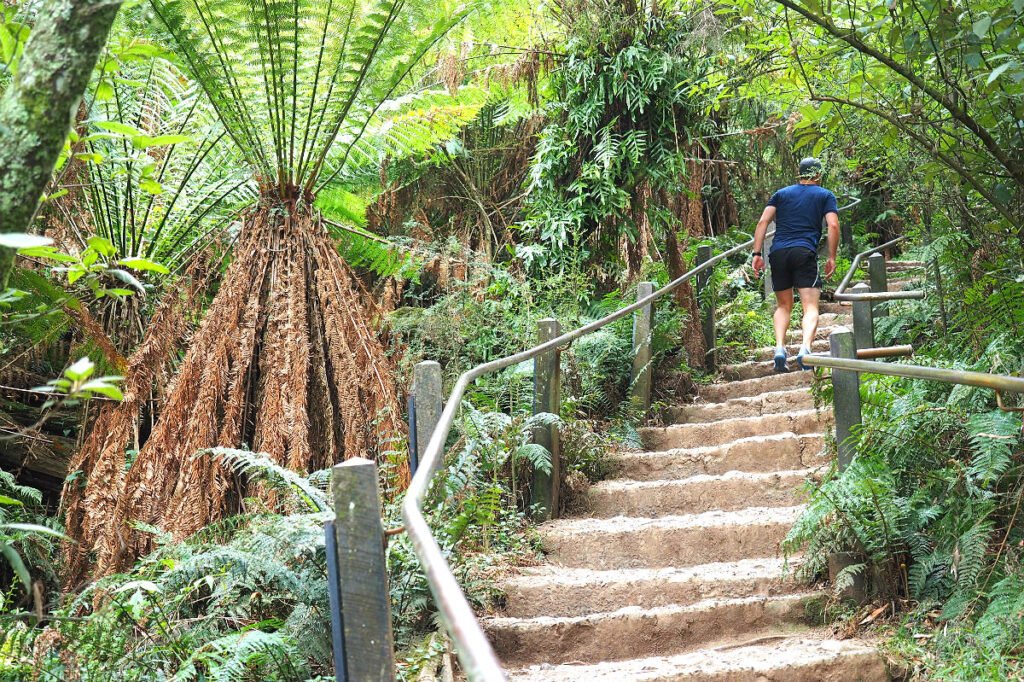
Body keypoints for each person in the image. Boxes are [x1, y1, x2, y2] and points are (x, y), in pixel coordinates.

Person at [751, 157, 840, 372]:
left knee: (783, 306)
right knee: (810, 306)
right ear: (818, 174)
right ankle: (805, 349)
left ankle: (780, 349)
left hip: (778, 253)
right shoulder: (825, 195)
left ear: (799, 174)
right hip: (804, 252)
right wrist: (832, 256)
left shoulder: (781, 194)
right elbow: (833, 225)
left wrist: (756, 253)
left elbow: (763, 222)